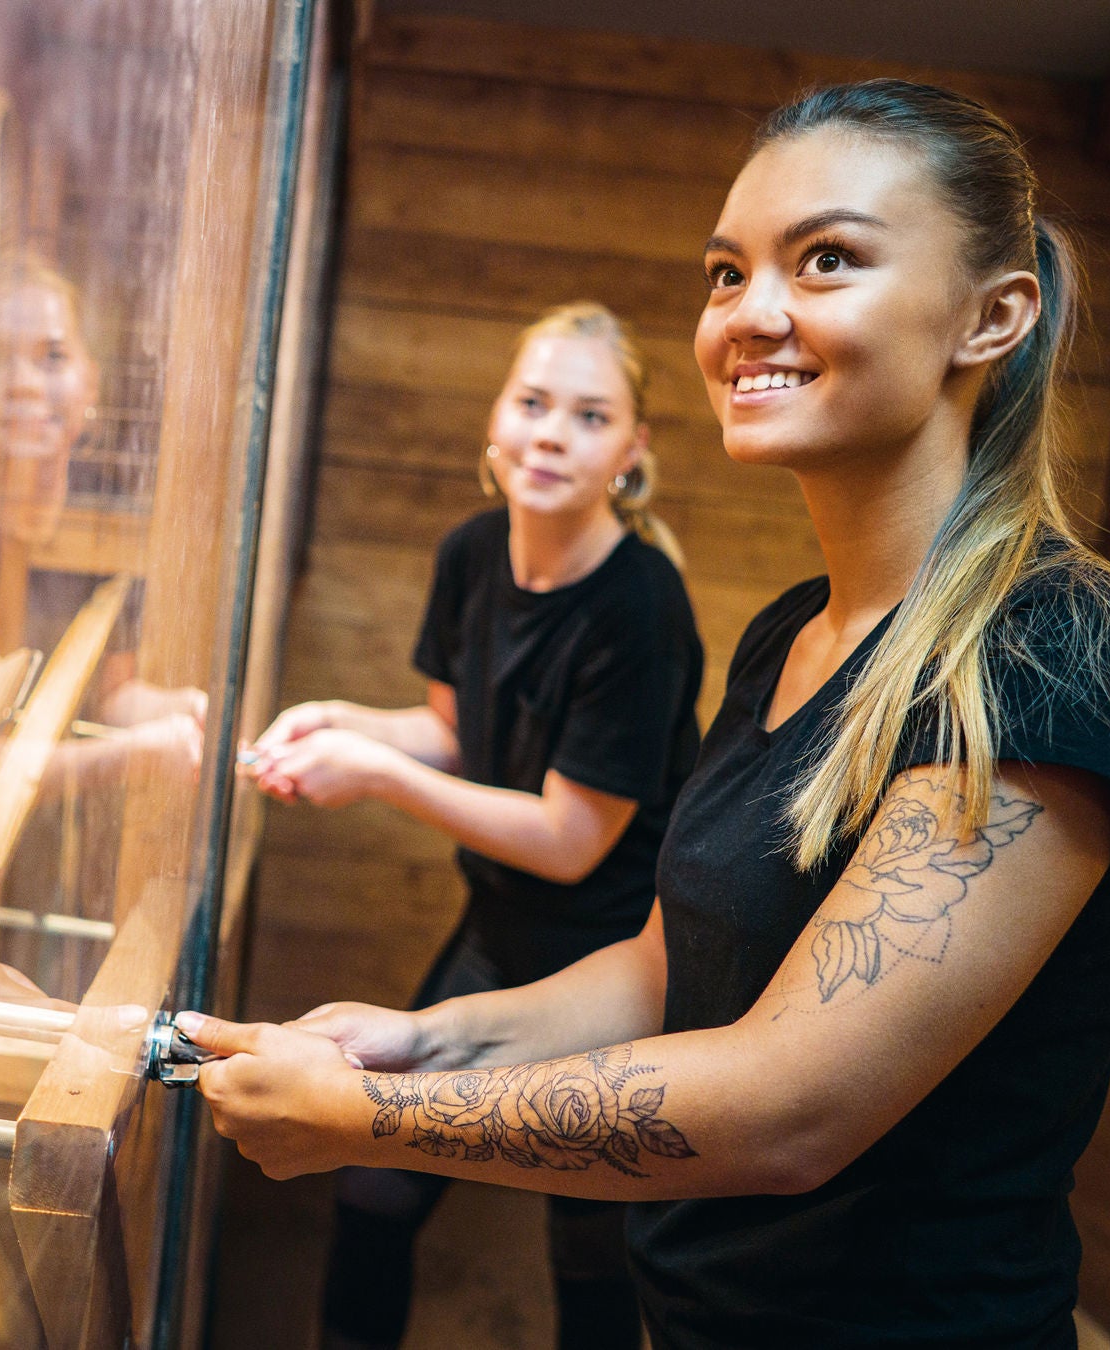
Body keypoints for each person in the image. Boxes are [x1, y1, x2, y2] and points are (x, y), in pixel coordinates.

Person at [187, 79, 1110, 1349]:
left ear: (990, 317)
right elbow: (667, 965)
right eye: (725, 273)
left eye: (826, 260)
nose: (752, 315)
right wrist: (419, 1042)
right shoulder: (789, 632)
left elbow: (792, 1106)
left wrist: (371, 1122)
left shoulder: (1058, 647)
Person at [244, 302, 705, 1348]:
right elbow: (453, 735)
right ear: (494, 424)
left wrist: (370, 776)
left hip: (611, 962)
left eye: (588, 417)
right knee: (372, 1189)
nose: (550, 433)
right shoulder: (468, 555)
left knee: (587, 1253)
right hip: (494, 935)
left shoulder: (639, 608)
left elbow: (568, 838)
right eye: (531, 403)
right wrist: (343, 723)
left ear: (630, 454)